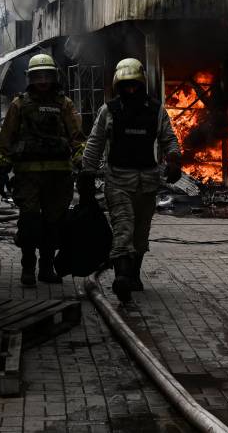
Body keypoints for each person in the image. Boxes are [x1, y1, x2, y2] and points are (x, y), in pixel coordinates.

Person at [78, 58, 182, 303]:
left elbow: (168, 138)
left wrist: (174, 159)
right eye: (126, 85)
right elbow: (94, 143)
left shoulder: (155, 110)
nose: (131, 90)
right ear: (118, 85)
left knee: (140, 234)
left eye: (134, 85)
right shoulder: (109, 110)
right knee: (123, 227)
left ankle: (134, 275)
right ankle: (122, 276)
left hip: (147, 183)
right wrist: (87, 172)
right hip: (118, 181)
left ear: (141, 84)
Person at [0, 53, 85, 286]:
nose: (43, 81)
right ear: (30, 78)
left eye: (47, 75)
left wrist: (82, 162)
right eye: (38, 76)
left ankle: (47, 268)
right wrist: (2, 169)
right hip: (28, 176)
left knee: (53, 223)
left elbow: (77, 138)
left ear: (54, 77)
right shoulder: (19, 105)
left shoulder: (64, 104)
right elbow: (6, 139)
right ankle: (28, 268)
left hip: (58, 176)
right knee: (29, 222)